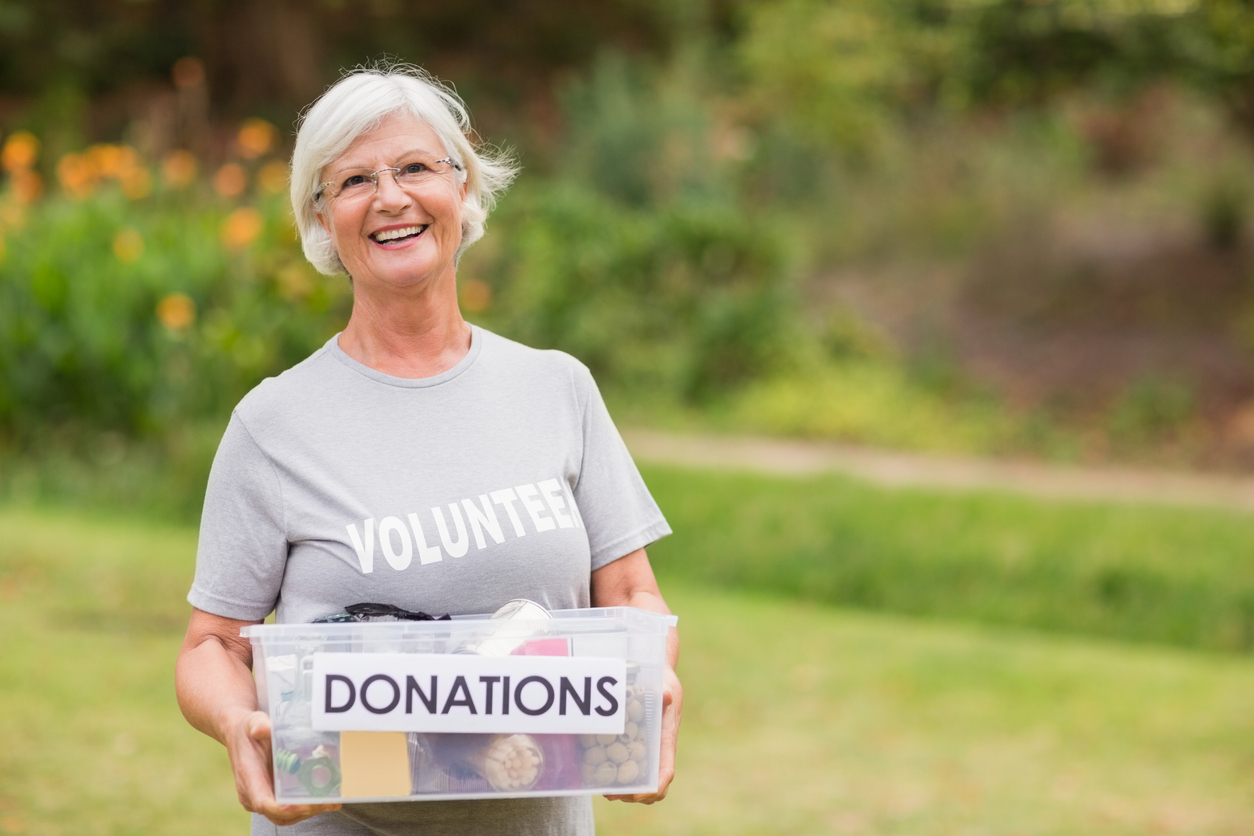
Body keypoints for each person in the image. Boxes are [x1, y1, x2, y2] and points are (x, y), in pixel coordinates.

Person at [174, 64, 681, 836]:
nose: (391, 197)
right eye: (353, 181)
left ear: (463, 188)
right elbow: (210, 646)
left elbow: (632, 597)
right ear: (322, 217)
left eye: (415, 167)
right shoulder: (273, 423)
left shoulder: (557, 388)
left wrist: (656, 678)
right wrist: (241, 722)